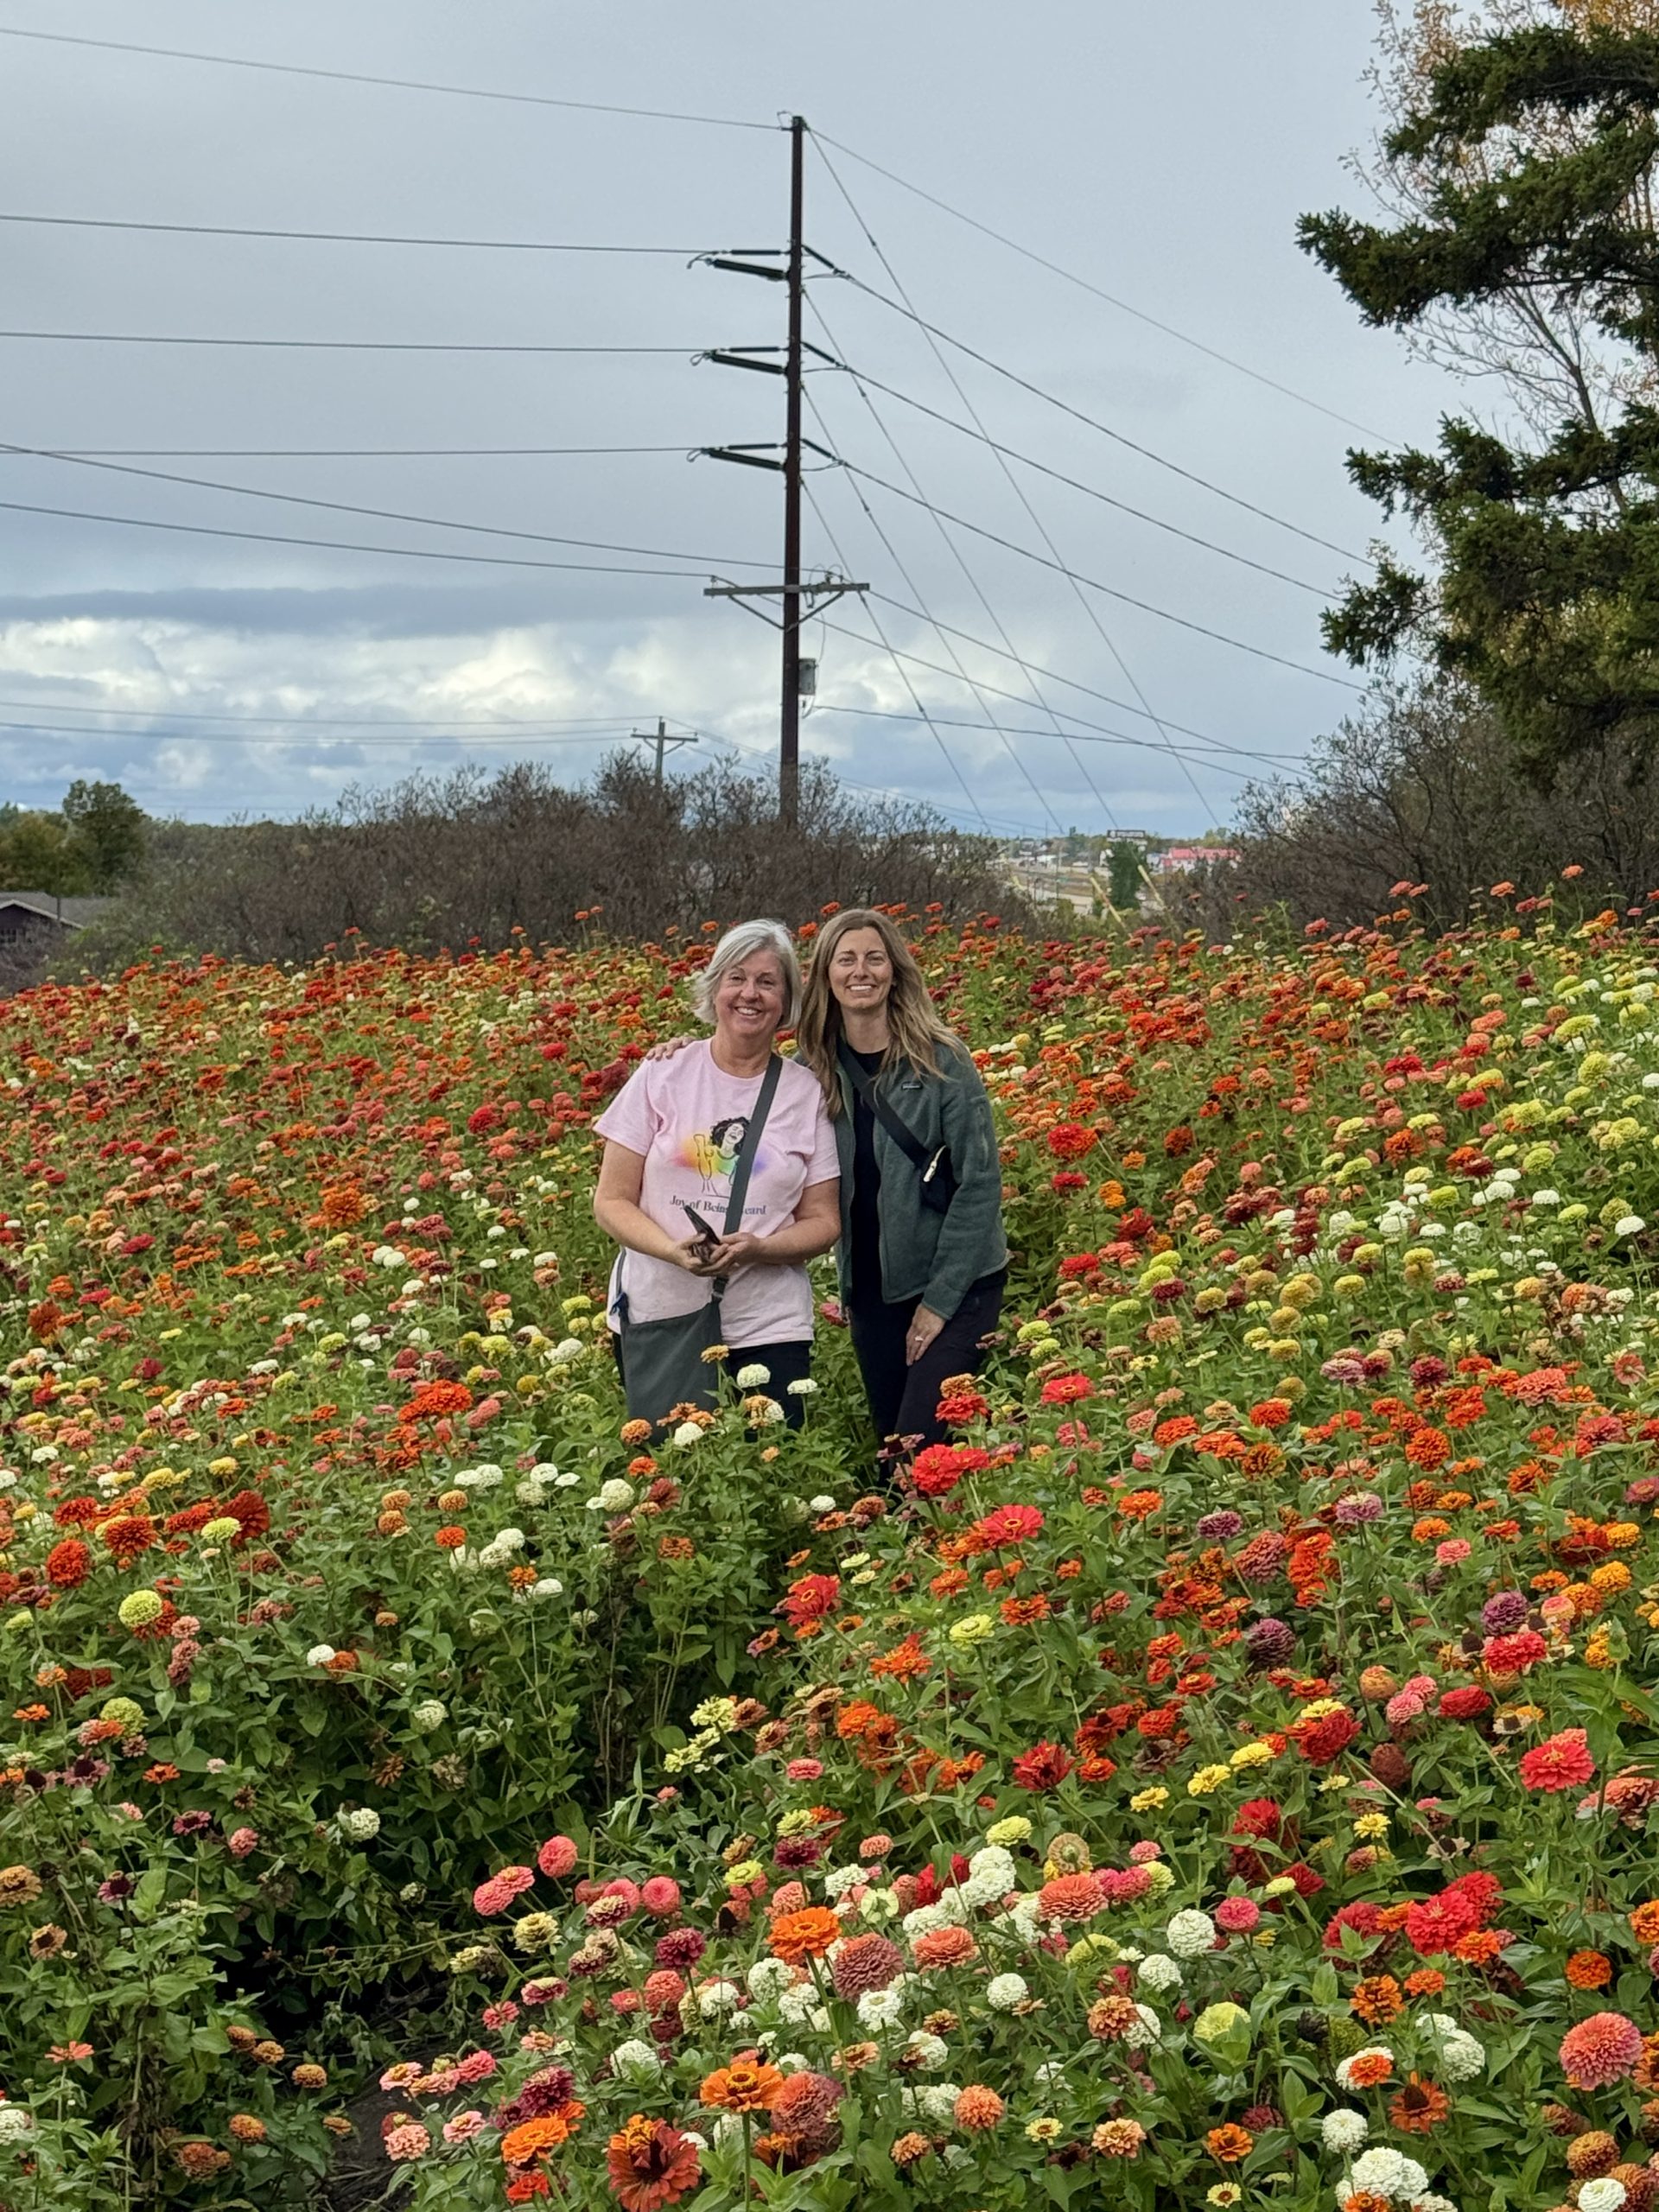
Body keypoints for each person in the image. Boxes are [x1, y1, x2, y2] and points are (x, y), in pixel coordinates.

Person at [593, 918, 841, 1426]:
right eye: (736, 978)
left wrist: (760, 1247)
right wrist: (672, 1250)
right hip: (662, 1316)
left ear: (787, 999)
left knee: (771, 1474)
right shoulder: (662, 1074)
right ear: (715, 988)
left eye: (767, 982)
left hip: (768, 1323)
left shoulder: (807, 1092)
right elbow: (611, 1200)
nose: (750, 994)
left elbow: (823, 1220)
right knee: (679, 1477)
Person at [794, 906, 1007, 1459]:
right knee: (895, 1453)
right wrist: (675, 1058)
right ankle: (935, 1544)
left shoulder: (941, 1062)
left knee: (918, 1454)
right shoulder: (812, 1069)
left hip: (956, 1286)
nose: (860, 971)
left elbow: (980, 1184)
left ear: (895, 970)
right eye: (846, 959)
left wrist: (938, 1304)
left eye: (874, 957)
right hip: (872, 1292)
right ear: (826, 976)